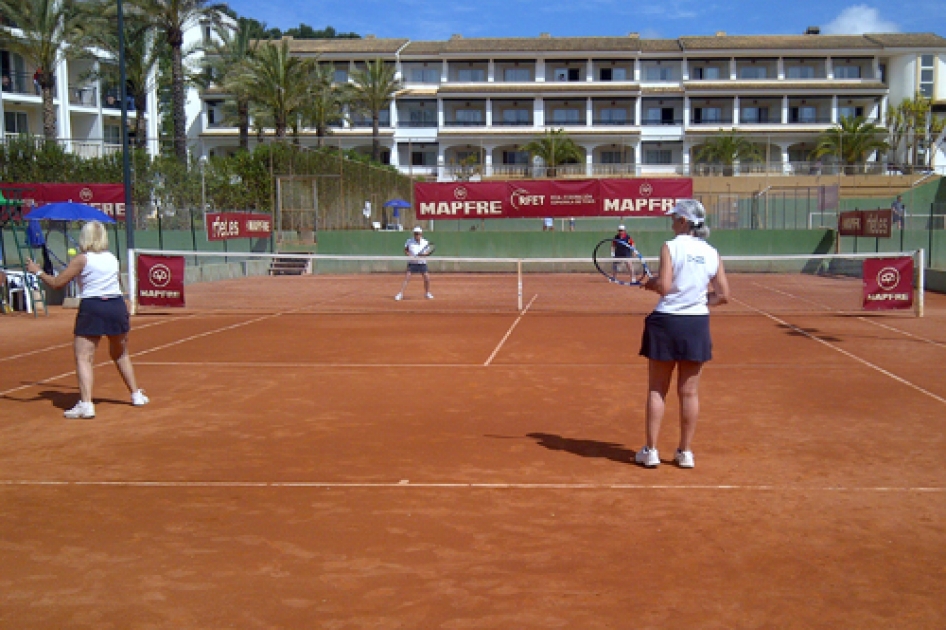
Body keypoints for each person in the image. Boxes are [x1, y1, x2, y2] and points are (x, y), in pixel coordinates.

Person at [636, 199, 730, 469]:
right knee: (689, 394)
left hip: (666, 323)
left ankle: (651, 451)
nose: (671, 221)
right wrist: (699, 303)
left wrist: (651, 284)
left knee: (657, 389)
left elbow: (664, 286)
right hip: (695, 325)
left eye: (675, 217)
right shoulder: (712, 252)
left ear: (685, 222)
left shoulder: (670, 247)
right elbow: (724, 295)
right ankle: (685, 452)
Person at [25, 221, 148, 419]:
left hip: (93, 307)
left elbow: (57, 283)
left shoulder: (82, 260)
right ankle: (136, 395)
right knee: (121, 353)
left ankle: (86, 404)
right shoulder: (112, 258)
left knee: (84, 357)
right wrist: (125, 300)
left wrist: (37, 271)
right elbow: (118, 283)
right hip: (116, 305)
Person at [394, 226, 433, 301]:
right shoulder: (409, 241)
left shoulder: (425, 242)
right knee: (407, 278)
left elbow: (428, 252)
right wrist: (410, 255)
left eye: (418, 234)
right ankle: (400, 294)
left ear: (421, 234)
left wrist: (423, 255)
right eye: (415, 234)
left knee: (427, 278)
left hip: (422, 263)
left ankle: (427, 293)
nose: (417, 235)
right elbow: (406, 250)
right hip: (412, 263)